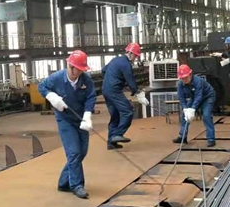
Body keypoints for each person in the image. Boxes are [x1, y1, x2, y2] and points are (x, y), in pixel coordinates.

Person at [38, 50, 97, 199]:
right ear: (70, 66)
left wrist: (87, 115)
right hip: (65, 121)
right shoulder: (57, 78)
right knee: (74, 152)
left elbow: (91, 97)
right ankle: (77, 185)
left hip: (81, 119)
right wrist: (51, 96)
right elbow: (42, 87)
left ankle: (64, 182)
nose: (81, 72)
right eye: (79, 69)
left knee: (82, 152)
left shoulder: (86, 79)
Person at [101, 43, 149, 150]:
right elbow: (130, 80)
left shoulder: (115, 60)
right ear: (130, 53)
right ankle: (117, 134)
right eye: (135, 55)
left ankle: (111, 143)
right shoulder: (126, 64)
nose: (135, 58)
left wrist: (112, 79)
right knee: (127, 111)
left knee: (115, 116)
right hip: (114, 91)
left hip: (106, 90)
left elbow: (104, 70)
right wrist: (138, 93)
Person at [174, 64, 216, 147]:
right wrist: (185, 109)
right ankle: (182, 136)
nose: (184, 80)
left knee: (206, 115)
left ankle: (211, 139)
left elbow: (199, 96)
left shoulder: (198, 81)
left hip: (208, 97)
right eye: (182, 78)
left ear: (190, 74)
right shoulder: (180, 84)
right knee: (185, 116)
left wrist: (193, 109)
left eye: (186, 77)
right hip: (194, 97)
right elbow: (181, 98)